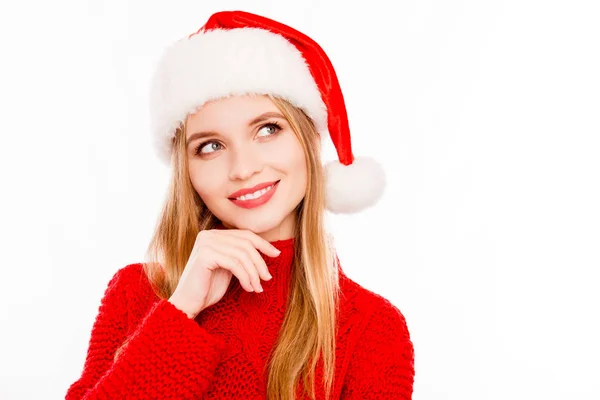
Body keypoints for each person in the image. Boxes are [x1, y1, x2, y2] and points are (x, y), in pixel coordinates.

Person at [65, 10, 415, 400]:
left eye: (268, 129)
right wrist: (181, 311)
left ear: (311, 141)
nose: (244, 169)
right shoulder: (136, 295)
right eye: (210, 146)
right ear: (188, 172)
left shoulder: (371, 328)